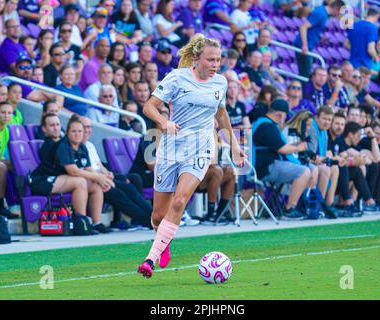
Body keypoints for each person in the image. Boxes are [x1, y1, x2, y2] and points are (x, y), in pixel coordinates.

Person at [137, 33, 245, 278]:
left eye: (218, 60)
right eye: (211, 60)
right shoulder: (177, 78)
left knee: (179, 200)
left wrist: (234, 145)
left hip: (201, 148)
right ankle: (164, 240)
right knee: (158, 215)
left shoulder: (220, 83)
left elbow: (221, 116)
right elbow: (148, 106)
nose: (215, 65)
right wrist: (163, 122)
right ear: (196, 58)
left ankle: (149, 260)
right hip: (171, 148)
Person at [29, 114, 112, 234]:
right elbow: (73, 171)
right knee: (80, 181)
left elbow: (89, 169)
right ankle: (82, 223)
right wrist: (98, 176)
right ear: (67, 132)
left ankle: (96, 222)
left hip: (61, 180)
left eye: (80, 131)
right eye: (74, 131)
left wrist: (101, 179)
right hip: (42, 180)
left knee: (95, 184)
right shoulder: (63, 145)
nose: (77, 134)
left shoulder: (82, 147)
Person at [252, 99, 311, 220]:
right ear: (280, 114)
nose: (285, 118)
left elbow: (280, 146)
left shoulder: (265, 123)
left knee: (311, 170)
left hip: (269, 165)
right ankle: (289, 209)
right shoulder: (267, 126)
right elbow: (283, 149)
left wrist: (295, 146)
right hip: (266, 168)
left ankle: (299, 205)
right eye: (285, 115)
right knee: (304, 172)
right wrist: (299, 148)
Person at [294, 0, 345, 78]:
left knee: (305, 74)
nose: (338, 15)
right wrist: (305, 45)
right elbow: (303, 27)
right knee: (306, 75)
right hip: (303, 46)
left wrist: (319, 38)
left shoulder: (323, 13)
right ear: (336, 9)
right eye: (339, 13)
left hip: (308, 45)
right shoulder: (321, 14)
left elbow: (312, 29)